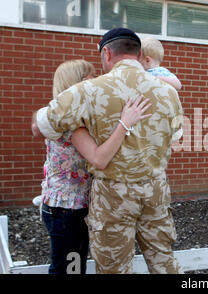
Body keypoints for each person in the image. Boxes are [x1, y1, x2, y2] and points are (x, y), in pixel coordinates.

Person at [31, 28, 184, 274]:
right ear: (139, 53)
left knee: (114, 267)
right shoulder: (168, 92)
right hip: (155, 188)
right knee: (163, 261)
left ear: (107, 52)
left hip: (113, 194)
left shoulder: (88, 90)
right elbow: (176, 137)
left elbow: (42, 124)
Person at [37, 59, 151, 274]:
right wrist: (125, 123)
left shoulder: (67, 115)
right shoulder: (71, 123)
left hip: (69, 207)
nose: (96, 80)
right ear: (77, 83)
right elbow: (99, 159)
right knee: (69, 269)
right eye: (90, 76)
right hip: (66, 210)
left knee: (73, 265)